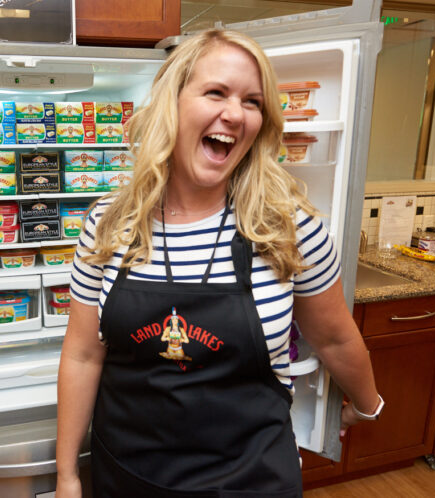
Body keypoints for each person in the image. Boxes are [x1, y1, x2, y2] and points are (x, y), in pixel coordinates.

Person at [56, 28, 382, 498]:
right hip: (128, 477)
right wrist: (67, 474)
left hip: (252, 481)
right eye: (215, 92)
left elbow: (334, 336)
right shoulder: (109, 223)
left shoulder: (288, 228)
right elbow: (83, 354)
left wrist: (367, 406)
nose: (234, 113)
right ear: (173, 102)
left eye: (252, 101)